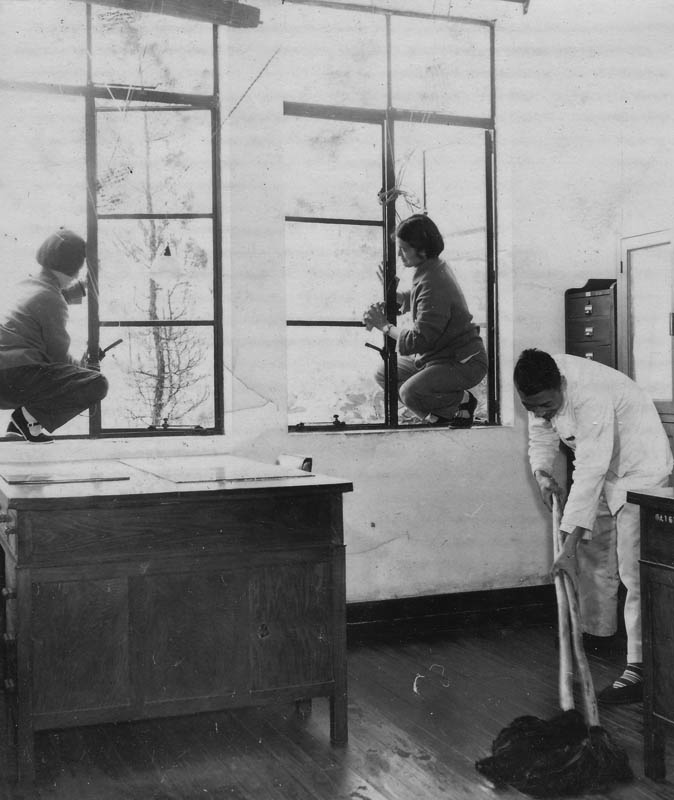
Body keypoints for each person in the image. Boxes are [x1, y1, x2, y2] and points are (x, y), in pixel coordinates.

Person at [514, 348, 673, 704]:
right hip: (605, 469)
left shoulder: (589, 392)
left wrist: (566, 547)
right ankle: (599, 632)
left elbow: (590, 468)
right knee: (594, 550)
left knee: (633, 570)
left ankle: (640, 668)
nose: (540, 413)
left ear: (562, 384)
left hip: (640, 468)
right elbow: (541, 434)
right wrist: (542, 473)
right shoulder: (538, 383)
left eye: (546, 405)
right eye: (531, 407)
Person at [362, 214, 487, 428]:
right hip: (439, 356)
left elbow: (418, 340)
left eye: (404, 249)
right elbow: (423, 298)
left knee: (409, 393)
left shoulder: (433, 279)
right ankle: (441, 416)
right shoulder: (432, 267)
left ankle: (463, 401)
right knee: (384, 374)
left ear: (422, 249)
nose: (399, 255)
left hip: (463, 362)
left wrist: (384, 325)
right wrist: (396, 297)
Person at [0, 228, 109, 443]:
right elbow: (58, 357)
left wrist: (84, 287)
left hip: (4, 378)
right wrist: (86, 369)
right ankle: (26, 419)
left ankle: (21, 425)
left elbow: (53, 295)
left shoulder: (26, 285)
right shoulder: (52, 299)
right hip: (17, 375)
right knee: (98, 383)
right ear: (74, 268)